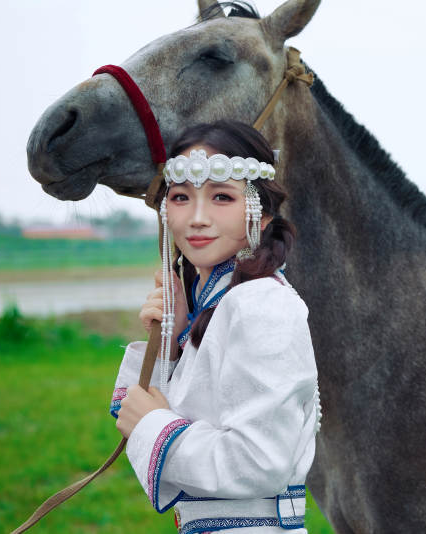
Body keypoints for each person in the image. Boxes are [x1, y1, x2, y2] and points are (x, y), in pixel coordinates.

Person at [109, 120, 320, 534]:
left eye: (222, 196)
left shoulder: (262, 304)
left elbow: (258, 462)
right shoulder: (219, 305)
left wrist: (156, 425)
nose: (197, 218)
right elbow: (131, 417)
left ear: (260, 217)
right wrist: (169, 340)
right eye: (181, 197)